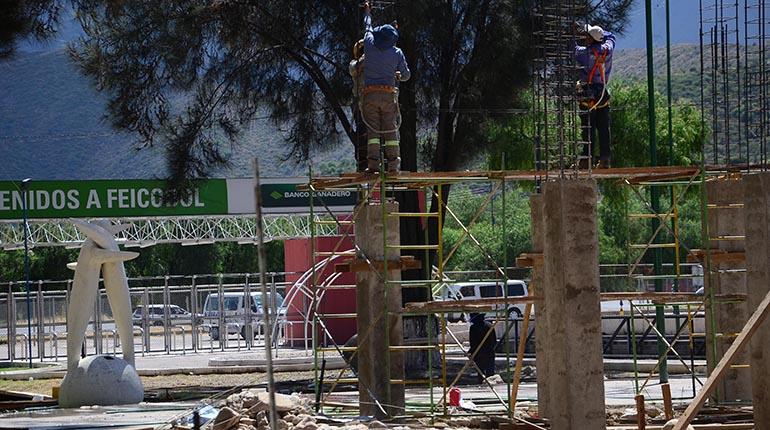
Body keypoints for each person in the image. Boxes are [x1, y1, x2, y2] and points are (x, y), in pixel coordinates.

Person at [361, 1, 411, 174]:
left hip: (370, 95)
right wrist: (398, 75)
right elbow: (406, 75)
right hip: (389, 95)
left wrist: (368, 11)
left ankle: (373, 165)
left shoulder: (368, 44)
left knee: (373, 132)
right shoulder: (397, 53)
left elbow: (367, 26)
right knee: (390, 129)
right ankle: (393, 166)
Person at [575, 23, 616, 169]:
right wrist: (600, 33)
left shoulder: (584, 53)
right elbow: (611, 36)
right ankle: (605, 159)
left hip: (589, 94)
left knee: (588, 128)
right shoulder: (608, 49)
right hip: (602, 94)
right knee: (603, 128)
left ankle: (587, 160)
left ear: (591, 39)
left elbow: (572, 49)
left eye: (587, 36)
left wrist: (574, 33)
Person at [468, 313, 497, 382]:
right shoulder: (490, 325)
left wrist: (471, 352)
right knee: (490, 373)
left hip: (479, 354)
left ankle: (481, 384)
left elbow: (473, 343)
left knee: (480, 372)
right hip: (489, 352)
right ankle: (490, 385)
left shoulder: (473, 328)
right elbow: (494, 341)